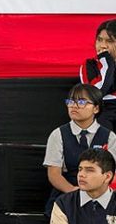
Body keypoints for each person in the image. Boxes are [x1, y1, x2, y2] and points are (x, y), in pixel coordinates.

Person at [43, 84, 116, 215]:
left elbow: (112, 174)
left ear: (96, 108)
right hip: (67, 193)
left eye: (81, 102)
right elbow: (54, 174)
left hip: (100, 194)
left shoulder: (110, 137)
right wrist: (73, 191)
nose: (74, 106)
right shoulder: (58, 134)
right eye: (70, 101)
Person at [81, 19, 116, 132]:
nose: (103, 46)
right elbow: (98, 93)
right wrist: (107, 63)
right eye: (99, 40)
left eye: (109, 41)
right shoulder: (89, 66)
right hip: (103, 109)